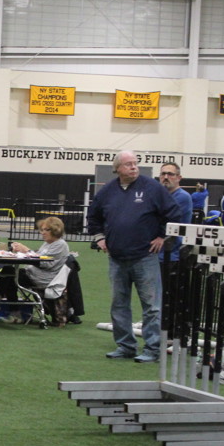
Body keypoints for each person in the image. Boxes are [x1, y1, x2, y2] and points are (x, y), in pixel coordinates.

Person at [86, 150, 181, 363]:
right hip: (117, 258)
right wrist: (100, 238)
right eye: (128, 164)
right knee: (119, 304)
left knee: (152, 306)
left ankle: (153, 349)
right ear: (117, 169)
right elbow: (93, 216)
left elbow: (174, 213)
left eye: (135, 163)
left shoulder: (153, 188)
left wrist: (162, 236)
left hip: (145, 257)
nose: (134, 167)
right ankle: (126, 346)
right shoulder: (107, 191)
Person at [0, 217, 70, 324]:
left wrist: (26, 250)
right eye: (42, 230)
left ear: (56, 230)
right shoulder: (48, 244)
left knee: (11, 275)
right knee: (8, 271)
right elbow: (38, 257)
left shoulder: (60, 244)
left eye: (47, 230)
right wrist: (23, 252)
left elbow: (45, 263)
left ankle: (10, 307)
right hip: (34, 274)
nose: (43, 233)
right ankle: (3, 301)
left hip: (44, 278)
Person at [158, 161, 192, 262]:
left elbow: (161, 219)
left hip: (170, 253)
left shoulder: (182, 197)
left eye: (170, 174)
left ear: (179, 178)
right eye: (163, 174)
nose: (166, 177)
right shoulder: (159, 196)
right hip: (156, 251)